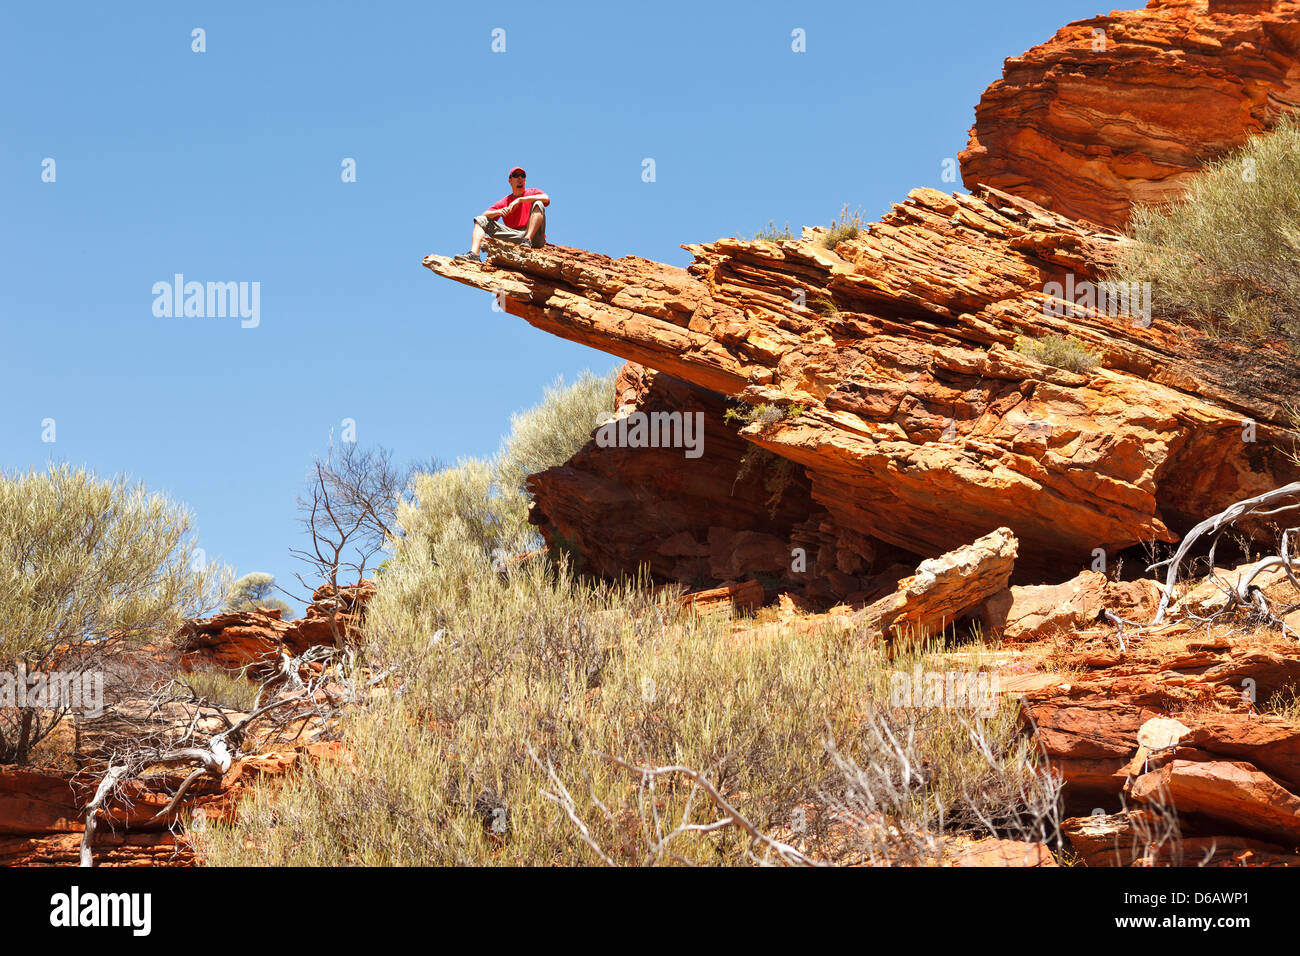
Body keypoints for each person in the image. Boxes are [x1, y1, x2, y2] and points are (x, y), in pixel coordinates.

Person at [454, 166, 549, 262]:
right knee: (480, 220)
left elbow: (546, 198)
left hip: (535, 237)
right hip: (515, 236)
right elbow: (483, 216)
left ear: (525, 180)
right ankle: (474, 254)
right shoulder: (505, 201)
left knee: (539, 203)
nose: (520, 178)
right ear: (510, 181)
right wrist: (498, 212)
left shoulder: (532, 192)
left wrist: (520, 200)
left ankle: (527, 239)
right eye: (516, 175)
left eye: (522, 175)